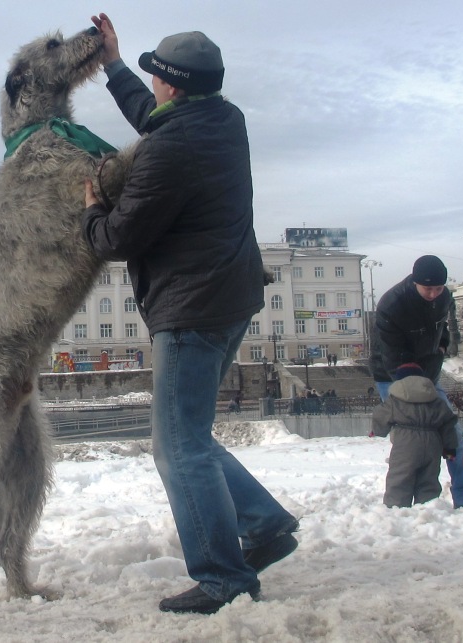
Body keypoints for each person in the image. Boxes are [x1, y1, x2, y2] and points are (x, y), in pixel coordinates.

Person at [82, 13, 299, 615]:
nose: (151, 86)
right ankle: (264, 526)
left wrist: (92, 208)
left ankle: (223, 576)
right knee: (192, 437)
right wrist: (115, 65)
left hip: (192, 307)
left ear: (173, 85)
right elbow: (154, 120)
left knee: (177, 447)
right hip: (228, 297)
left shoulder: (171, 149)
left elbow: (118, 238)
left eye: (155, 76)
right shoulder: (223, 120)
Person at [369, 254, 463, 509]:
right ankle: (402, 502)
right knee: (410, 440)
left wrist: (441, 347)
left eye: (438, 288)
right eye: (427, 289)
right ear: (415, 282)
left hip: (429, 371)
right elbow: (392, 352)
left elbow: (446, 329)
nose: (433, 294)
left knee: (453, 436)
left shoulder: (444, 297)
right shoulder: (392, 303)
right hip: (393, 375)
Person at [372, 364, 460, 508]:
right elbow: (448, 423)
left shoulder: (395, 400)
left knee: (400, 478)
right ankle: (428, 509)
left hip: (406, 443)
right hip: (432, 443)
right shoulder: (435, 400)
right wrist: (450, 448)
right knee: (429, 479)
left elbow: (381, 415)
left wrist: (378, 430)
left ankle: (396, 509)